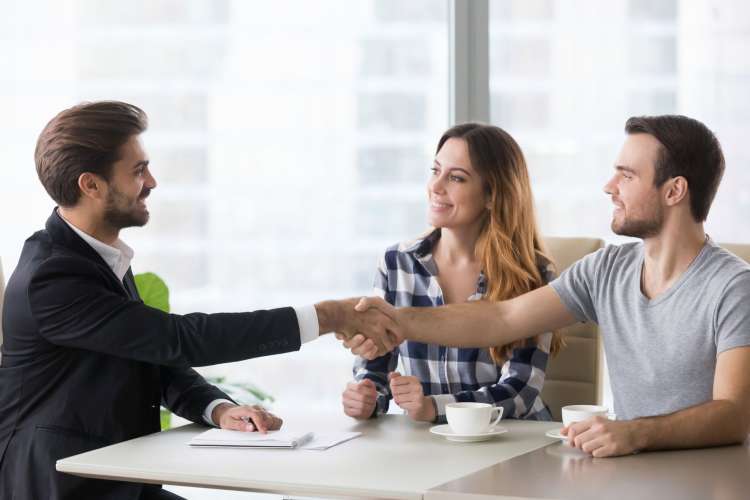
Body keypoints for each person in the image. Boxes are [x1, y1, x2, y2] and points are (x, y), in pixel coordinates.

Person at [0, 101, 398, 500]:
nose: (152, 181)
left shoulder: (96, 257)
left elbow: (152, 357)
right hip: (59, 486)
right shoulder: (53, 276)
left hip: (114, 479)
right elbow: (180, 339)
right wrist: (327, 316)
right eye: (138, 170)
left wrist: (218, 409)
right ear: (91, 185)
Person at [348, 115, 750, 457]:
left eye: (626, 176)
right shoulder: (605, 270)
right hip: (628, 469)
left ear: (674, 190)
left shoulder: (733, 286)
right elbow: (503, 317)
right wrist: (396, 320)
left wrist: (635, 431)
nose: (609, 186)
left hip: (705, 475)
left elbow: (733, 414)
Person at [341, 123, 563, 424]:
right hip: (431, 445)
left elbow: (520, 390)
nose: (436, 186)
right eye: (435, 171)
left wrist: (436, 407)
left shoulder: (532, 275)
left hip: (513, 442)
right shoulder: (397, 263)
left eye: (456, 177)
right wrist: (368, 396)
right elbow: (375, 365)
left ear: (492, 195)